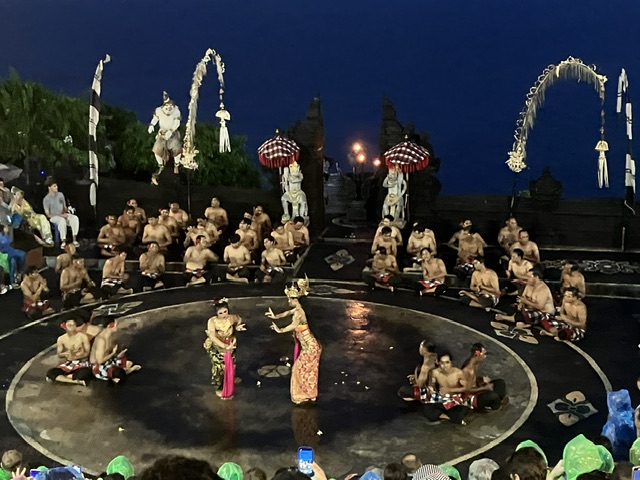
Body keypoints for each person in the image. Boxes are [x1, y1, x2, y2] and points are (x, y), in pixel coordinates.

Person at [266, 278, 322, 404]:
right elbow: (287, 313)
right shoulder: (298, 309)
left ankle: (302, 395)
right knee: (308, 371)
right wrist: (276, 316)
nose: (288, 301)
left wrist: (280, 330)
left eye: (290, 299)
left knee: (298, 369)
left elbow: (294, 325)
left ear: (295, 300)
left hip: (310, 347)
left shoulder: (299, 313)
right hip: (311, 346)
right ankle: (310, 394)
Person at [204, 298, 246, 399]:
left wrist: (237, 326)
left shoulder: (231, 318)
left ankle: (231, 377)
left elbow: (239, 319)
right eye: (220, 313)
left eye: (225, 311)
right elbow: (212, 336)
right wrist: (224, 346)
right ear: (216, 313)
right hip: (217, 346)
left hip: (230, 343)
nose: (224, 315)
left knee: (232, 363)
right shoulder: (212, 321)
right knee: (219, 367)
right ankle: (219, 386)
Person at [423, 352, 471, 425]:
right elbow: (431, 384)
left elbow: (466, 388)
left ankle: (444, 415)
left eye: (447, 362)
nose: (445, 366)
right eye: (442, 363)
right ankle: (449, 418)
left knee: (461, 410)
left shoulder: (458, 373)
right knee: (427, 408)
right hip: (441, 399)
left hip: (454, 400)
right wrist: (431, 388)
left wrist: (450, 390)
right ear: (438, 363)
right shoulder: (435, 372)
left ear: (451, 363)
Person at [90, 318, 142, 383]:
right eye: (116, 324)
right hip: (98, 367)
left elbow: (107, 353)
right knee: (117, 372)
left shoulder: (108, 336)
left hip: (108, 361)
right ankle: (127, 371)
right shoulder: (101, 340)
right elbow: (99, 361)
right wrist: (113, 353)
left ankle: (120, 373)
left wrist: (118, 356)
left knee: (129, 362)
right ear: (110, 325)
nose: (117, 326)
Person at [458, 343, 507, 411]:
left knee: (500, 383)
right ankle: (492, 405)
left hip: (477, 389)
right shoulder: (468, 369)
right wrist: (485, 387)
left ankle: (497, 400)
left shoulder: (475, 364)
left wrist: (481, 379)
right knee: (493, 396)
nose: (485, 356)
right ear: (477, 354)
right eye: (484, 354)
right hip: (470, 397)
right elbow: (466, 389)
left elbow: (472, 379)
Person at [148, 91, 182, 185]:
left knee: (177, 148)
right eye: (167, 105)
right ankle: (160, 165)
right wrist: (151, 125)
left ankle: (176, 165)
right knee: (156, 149)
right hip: (162, 133)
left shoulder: (176, 110)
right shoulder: (159, 110)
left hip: (173, 133)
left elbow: (177, 123)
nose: (168, 107)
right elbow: (155, 119)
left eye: (170, 105)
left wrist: (171, 131)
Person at [45, 319, 93, 386]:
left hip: (82, 363)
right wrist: (65, 354)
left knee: (83, 374)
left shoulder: (83, 337)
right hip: (69, 363)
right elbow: (59, 354)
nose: (71, 328)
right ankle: (76, 381)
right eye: (69, 325)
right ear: (65, 327)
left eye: (73, 325)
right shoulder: (61, 339)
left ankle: (61, 378)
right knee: (51, 373)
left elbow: (87, 352)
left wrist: (77, 356)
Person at [42, 177, 80, 247]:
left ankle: (74, 240)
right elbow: (48, 214)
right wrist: (60, 215)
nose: (57, 187)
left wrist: (66, 210)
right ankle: (63, 241)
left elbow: (64, 208)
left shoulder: (60, 195)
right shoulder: (46, 199)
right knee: (61, 221)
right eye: (54, 186)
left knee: (74, 218)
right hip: (54, 217)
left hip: (62, 214)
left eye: (56, 185)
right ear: (49, 188)